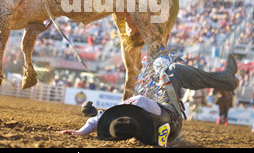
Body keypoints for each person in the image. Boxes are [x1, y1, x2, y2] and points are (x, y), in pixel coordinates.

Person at [58, 52, 238, 146]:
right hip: (172, 115)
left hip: (167, 130)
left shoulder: (139, 135)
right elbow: (104, 116)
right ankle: (226, 79)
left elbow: (103, 118)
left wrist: (81, 132)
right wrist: (86, 127)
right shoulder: (139, 102)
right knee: (173, 70)